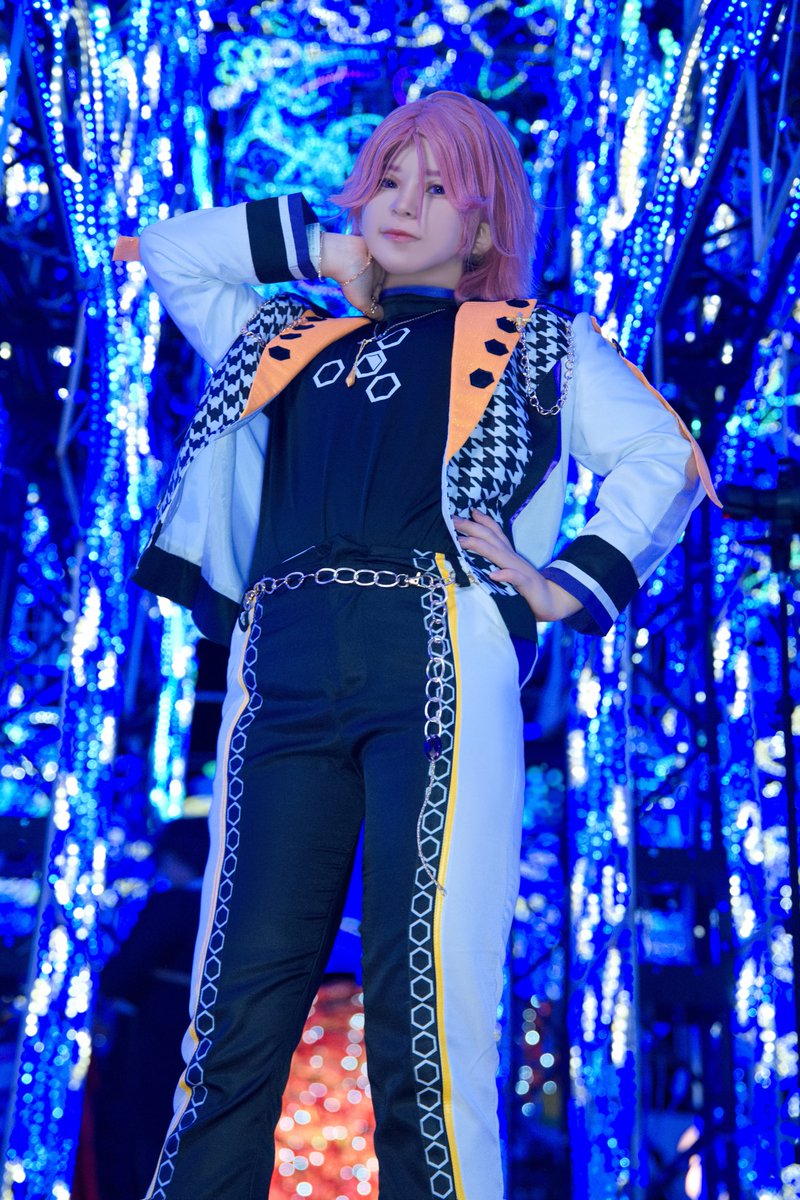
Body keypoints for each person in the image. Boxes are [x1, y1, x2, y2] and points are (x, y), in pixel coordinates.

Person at [114, 90, 717, 1200]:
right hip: (279, 661)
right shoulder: (282, 336)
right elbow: (159, 251)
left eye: (436, 187)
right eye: (387, 179)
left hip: (436, 646)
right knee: (229, 1018)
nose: (401, 204)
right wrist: (326, 249)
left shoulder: (537, 343)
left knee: (428, 1017)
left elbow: (662, 457)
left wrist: (562, 583)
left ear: (483, 222)